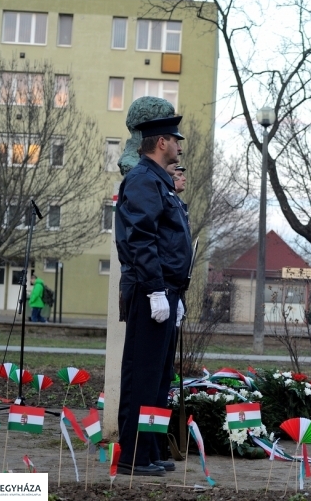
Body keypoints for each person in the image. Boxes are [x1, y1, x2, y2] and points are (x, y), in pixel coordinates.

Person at [115, 116, 193, 477]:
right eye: (176, 139)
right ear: (161, 142)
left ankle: (150, 449)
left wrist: (174, 294)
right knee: (142, 377)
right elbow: (141, 239)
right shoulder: (144, 180)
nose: (180, 145)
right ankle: (133, 456)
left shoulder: (161, 183)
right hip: (151, 292)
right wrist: (158, 291)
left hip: (167, 292)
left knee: (160, 380)